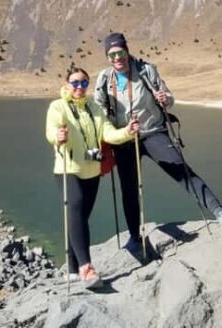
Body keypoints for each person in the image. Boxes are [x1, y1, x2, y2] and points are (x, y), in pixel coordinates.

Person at [94, 32, 222, 251]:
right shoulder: (105, 79)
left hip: (152, 131)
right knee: (129, 189)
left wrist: (165, 99)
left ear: (127, 50)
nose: (118, 58)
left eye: (121, 52)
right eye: (112, 54)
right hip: (124, 138)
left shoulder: (145, 70)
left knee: (182, 172)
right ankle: (135, 236)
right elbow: (98, 109)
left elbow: (168, 97)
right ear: (107, 57)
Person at [45, 66, 138, 289]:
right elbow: (51, 131)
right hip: (68, 169)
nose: (80, 87)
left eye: (84, 83)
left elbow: (108, 133)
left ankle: (71, 267)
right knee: (76, 207)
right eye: (75, 83)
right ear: (67, 85)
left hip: (92, 171)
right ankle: (86, 268)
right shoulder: (58, 107)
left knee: (79, 217)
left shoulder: (94, 108)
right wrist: (58, 136)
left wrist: (127, 131)